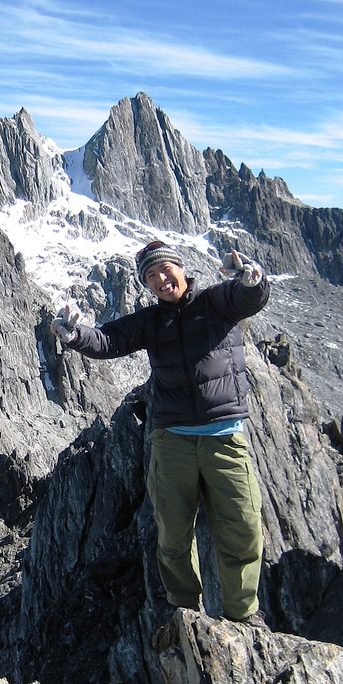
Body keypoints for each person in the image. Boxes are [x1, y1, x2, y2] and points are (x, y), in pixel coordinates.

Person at [51, 240, 271, 628]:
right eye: (151, 277)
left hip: (224, 437)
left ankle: (243, 613)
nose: (160, 280)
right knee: (172, 534)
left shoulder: (216, 302)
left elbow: (247, 298)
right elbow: (108, 341)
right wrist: (73, 334)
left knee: (243, 529)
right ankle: (183, 612)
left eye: (164, 270)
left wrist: (252, 281)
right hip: (172, 441)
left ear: (181, 268)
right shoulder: (151, 321)